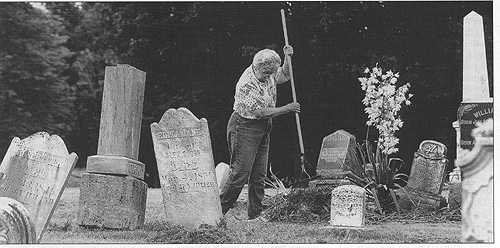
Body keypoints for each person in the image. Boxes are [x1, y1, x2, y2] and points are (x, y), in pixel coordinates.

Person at [220, 45, 300, 221]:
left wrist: (288, 59)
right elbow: (260, 112)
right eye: (265, 74)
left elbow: (285, 75)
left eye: (271, 73)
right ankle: (217, 213)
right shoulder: (246, 84)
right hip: (244, 126)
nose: (269, 77)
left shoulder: (268, 72)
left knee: (259, 175)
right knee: (240, 173)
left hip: (263, 127)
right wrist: (287, 108)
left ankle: (255, 214)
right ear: (256, 67)